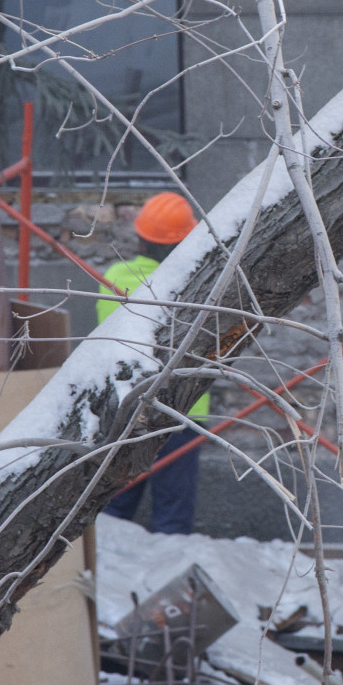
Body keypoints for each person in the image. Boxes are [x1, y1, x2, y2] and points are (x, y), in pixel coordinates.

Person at [98, 192, 209, 533]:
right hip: (185, 411)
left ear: (142, 238)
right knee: (173, 513)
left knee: (114, 504)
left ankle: (106, 560)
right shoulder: (197, 281)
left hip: (128, 407)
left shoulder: (114, 277)